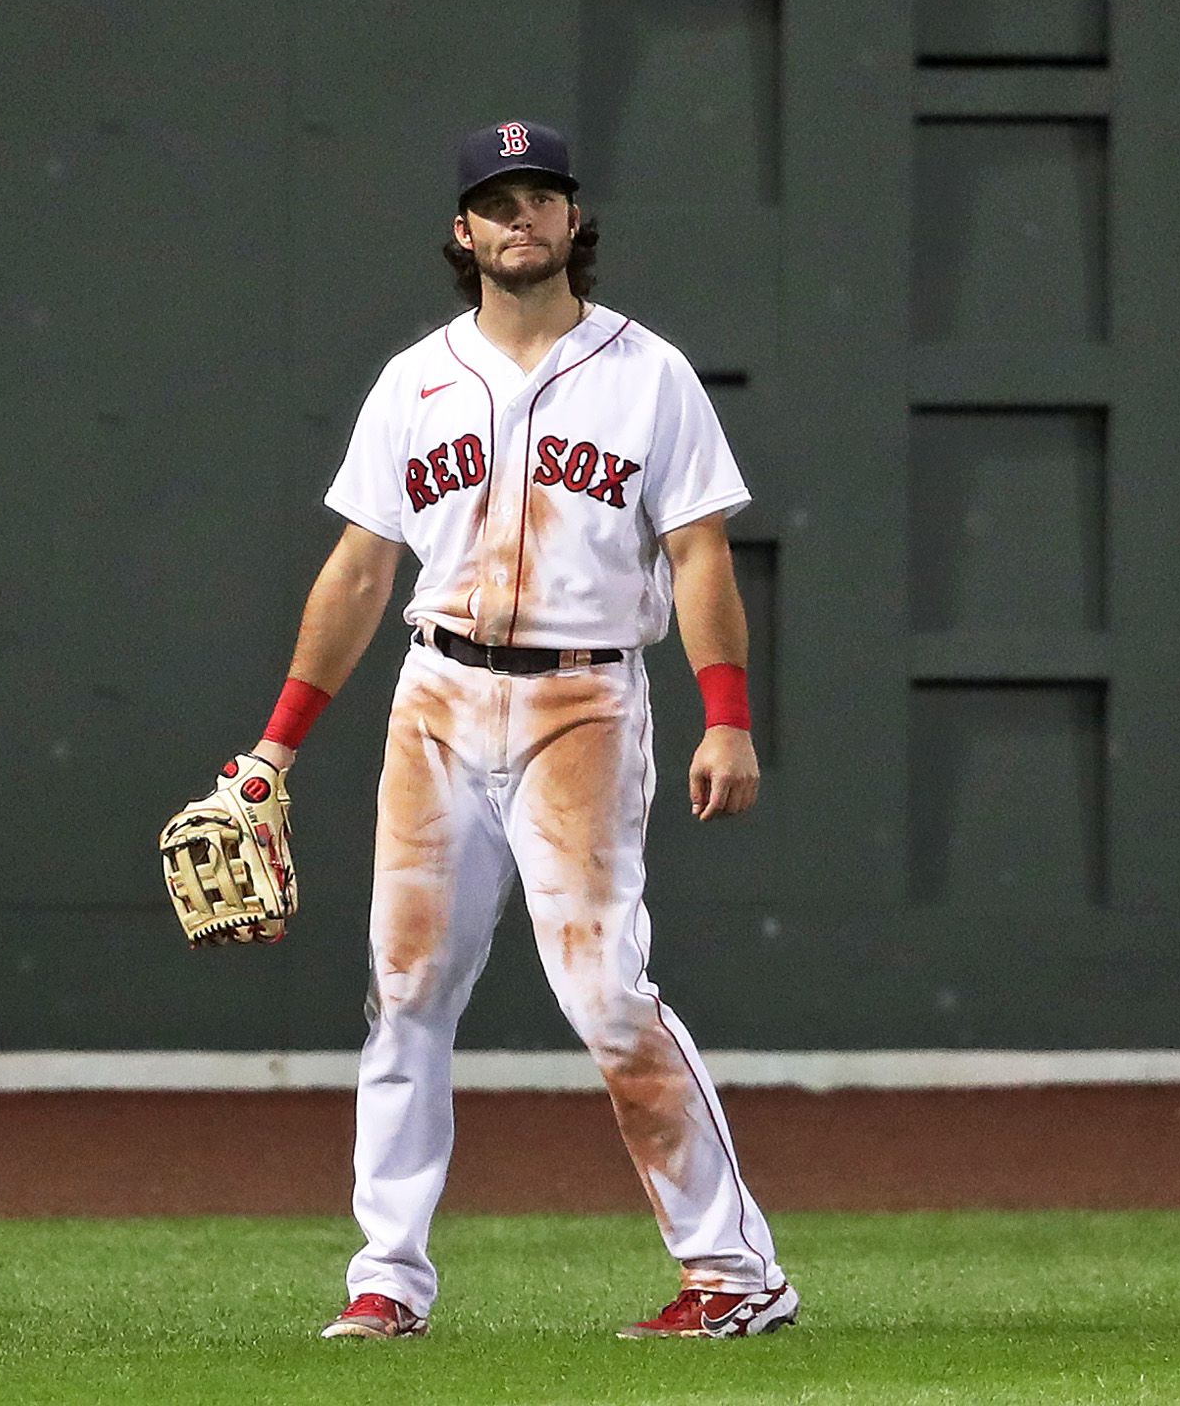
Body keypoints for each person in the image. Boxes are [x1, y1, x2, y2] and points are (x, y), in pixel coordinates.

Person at [244, 117, 796, 1343]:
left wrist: (727, 717)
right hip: (435, 699)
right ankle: (386, 1277)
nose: (519, 218)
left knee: (607, 995)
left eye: (540, 196)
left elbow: (699, 551)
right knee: (405, 994)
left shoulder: (649, 373)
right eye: (497, 201)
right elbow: (356, 571)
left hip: (584, 701)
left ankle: (734, 1272)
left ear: (572, 221)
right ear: (463, 231)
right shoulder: (414, 379)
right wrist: (277, 746)